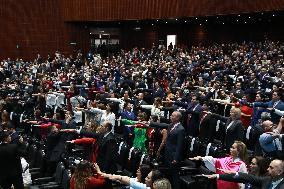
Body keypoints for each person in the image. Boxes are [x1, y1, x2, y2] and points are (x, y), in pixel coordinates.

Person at [207, 159, 284, 189]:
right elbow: (247, 177)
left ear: (279, 172)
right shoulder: (267, 179)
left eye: (271, 168)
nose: (268, 169)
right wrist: (218, 176)